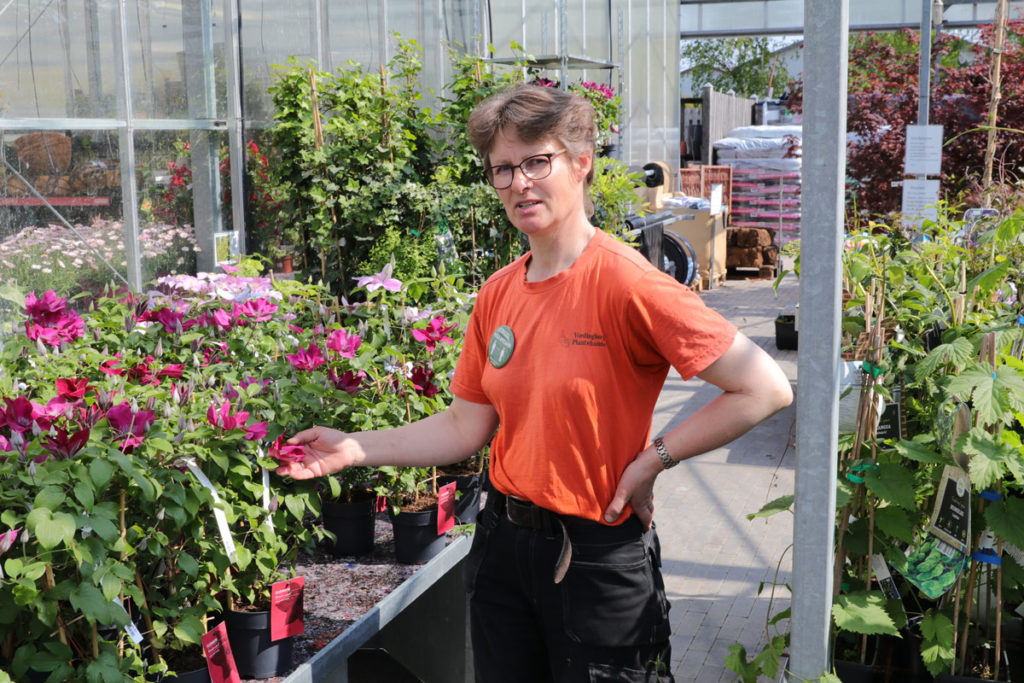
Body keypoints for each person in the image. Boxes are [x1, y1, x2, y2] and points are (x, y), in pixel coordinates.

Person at [276, 82, 793, 683]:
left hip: (598, 558)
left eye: (536, 161)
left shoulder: (629, 283)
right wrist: (355, 447)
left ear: (580, 163)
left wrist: (654, 458)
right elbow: (464, 425)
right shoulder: (499, 292)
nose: (520, 182)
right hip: (501, 547)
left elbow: (764, 387)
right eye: (503, 169)